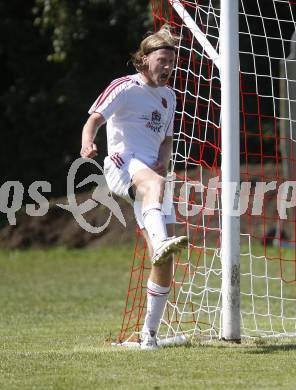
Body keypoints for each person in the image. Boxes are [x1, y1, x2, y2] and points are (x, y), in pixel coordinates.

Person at [80, 25, 188, 349]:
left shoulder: (169, 97)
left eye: (171, 61)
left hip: (152, 175)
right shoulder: (125, 87)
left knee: (166, 260)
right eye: (162, 60)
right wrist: (87, 144)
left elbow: (167, 140)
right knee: (155, 190)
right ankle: (159, 243)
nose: (168, 67)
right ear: (144, 59)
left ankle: (149, 337)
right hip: (122, 164)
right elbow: (94, 119)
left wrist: (163, 161)